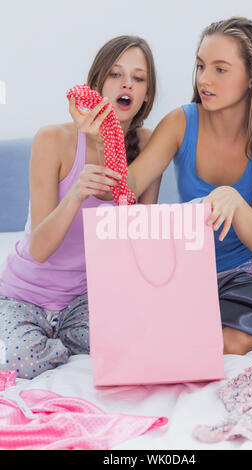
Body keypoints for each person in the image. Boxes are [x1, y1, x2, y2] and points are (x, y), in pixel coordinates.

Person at [116, 17, 252, 355]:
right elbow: (127, 187)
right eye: (201, 66)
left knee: (229, 341)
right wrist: (106, 128)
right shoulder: (180, 123)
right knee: (156, 333)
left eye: (220, 69)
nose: (204, 79)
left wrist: (231, 198)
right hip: (196, 271)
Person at [0, 36, 161, 379]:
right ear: (98, 82)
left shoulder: (148, 146)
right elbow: (39, 249)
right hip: (25, 295)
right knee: (20, 361)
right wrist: (75, 194)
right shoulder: (53, 139)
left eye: (138, 77)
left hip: (88, 300)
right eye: (116, 74)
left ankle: (59, 342)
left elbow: (141, 243)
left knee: (135, 342)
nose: (127, 84)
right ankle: (51, 341)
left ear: (146, 94)